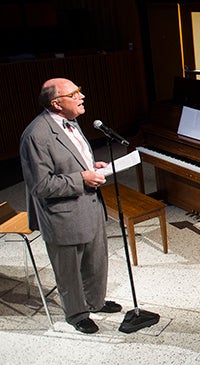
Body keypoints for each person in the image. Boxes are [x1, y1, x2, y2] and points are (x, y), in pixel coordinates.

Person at [19, 78, 122, 334]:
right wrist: (82, 178)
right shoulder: (36, 135)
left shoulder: (72, 122)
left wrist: (90, 167)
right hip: (62, 214)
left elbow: (70, 159)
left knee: (96, 260)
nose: (82, 96)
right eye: (75, 93)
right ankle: (77, 313)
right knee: (69, 270)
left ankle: (95, 302)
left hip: (90, 205)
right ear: (56, 103)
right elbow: (41, 186)